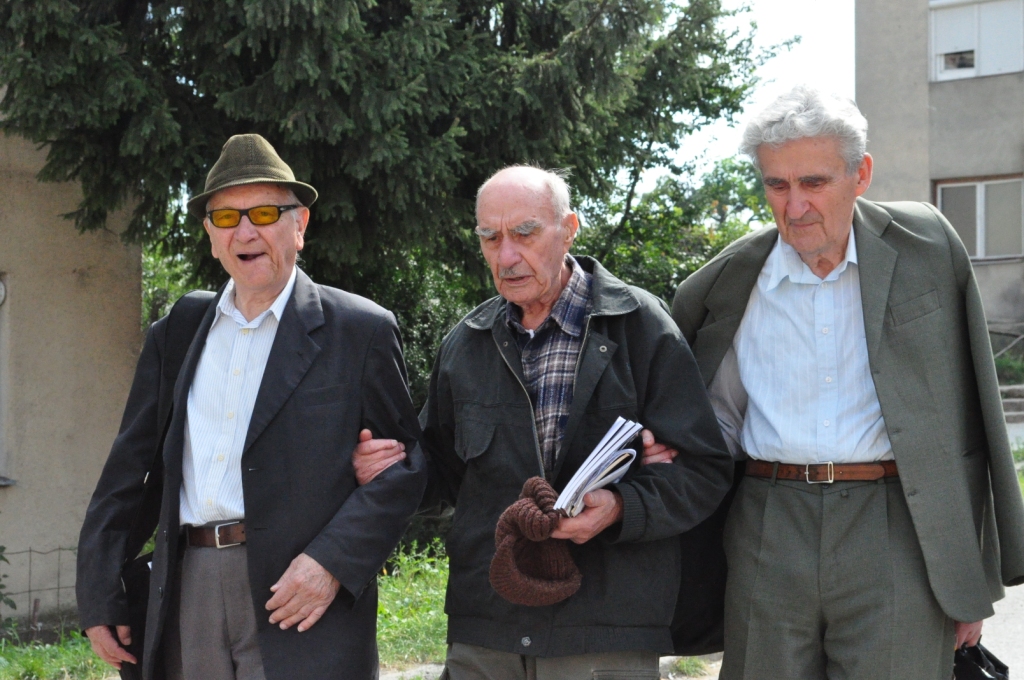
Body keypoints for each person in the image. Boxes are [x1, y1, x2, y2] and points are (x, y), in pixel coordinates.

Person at [667, 85, 1024, 680]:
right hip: (767, 525)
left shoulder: (928, 247)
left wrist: (969, 581)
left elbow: (969, 416)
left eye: (814, 182)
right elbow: (717, 421)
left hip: (896, 525)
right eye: (777, 184)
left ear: (861, 174)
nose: (795, 206)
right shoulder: (724, 283)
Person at [354, 165, 733, 679]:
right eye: (490, 238)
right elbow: (442, 474)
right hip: (488, 625)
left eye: (525, 233)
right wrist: (389, 467)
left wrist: (621, 507)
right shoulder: (466, 343)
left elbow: (704, 470)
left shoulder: (640, 327)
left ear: (569, 229)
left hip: (603, 627)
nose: (506, 256)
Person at [76, 134, 427, 680]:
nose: (245, 232)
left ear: (299, 224)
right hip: (189, 586)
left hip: (301, 596)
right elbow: (128, 469)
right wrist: (99, 591)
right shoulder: (177, 332)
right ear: (210, 235)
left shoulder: (360, 330)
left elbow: (406, 470)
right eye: (226, 218)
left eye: (264, 213)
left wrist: (332, 562)